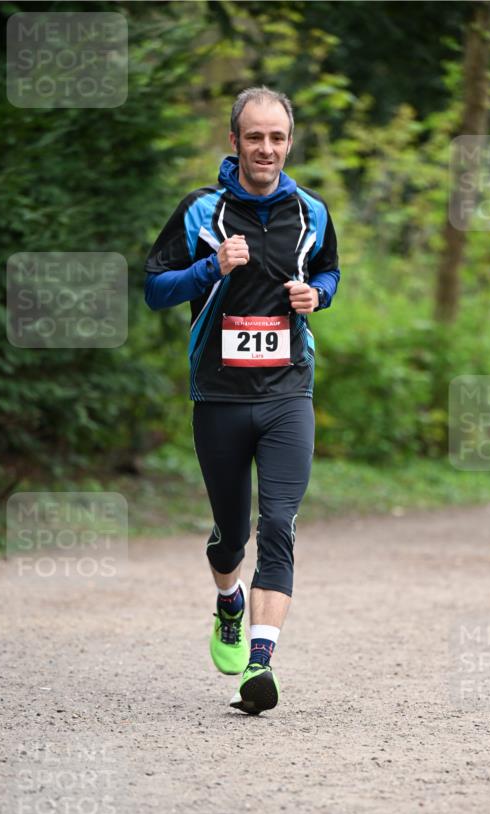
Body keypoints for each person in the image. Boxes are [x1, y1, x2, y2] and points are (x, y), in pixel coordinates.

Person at [144, 86, 340, 715]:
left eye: (276, 137)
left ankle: (260, 664)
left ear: (290, 142)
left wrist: (319, 296)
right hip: (220, 396)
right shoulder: (202, 210)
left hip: (288, 392)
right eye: (254, 136)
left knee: (277, 523)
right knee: (231, 536)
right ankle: (228, 601)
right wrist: (211, 269)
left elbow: (329, 270)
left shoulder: (312, 211)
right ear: (234, 141)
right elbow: (154, 289)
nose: (266, 148)